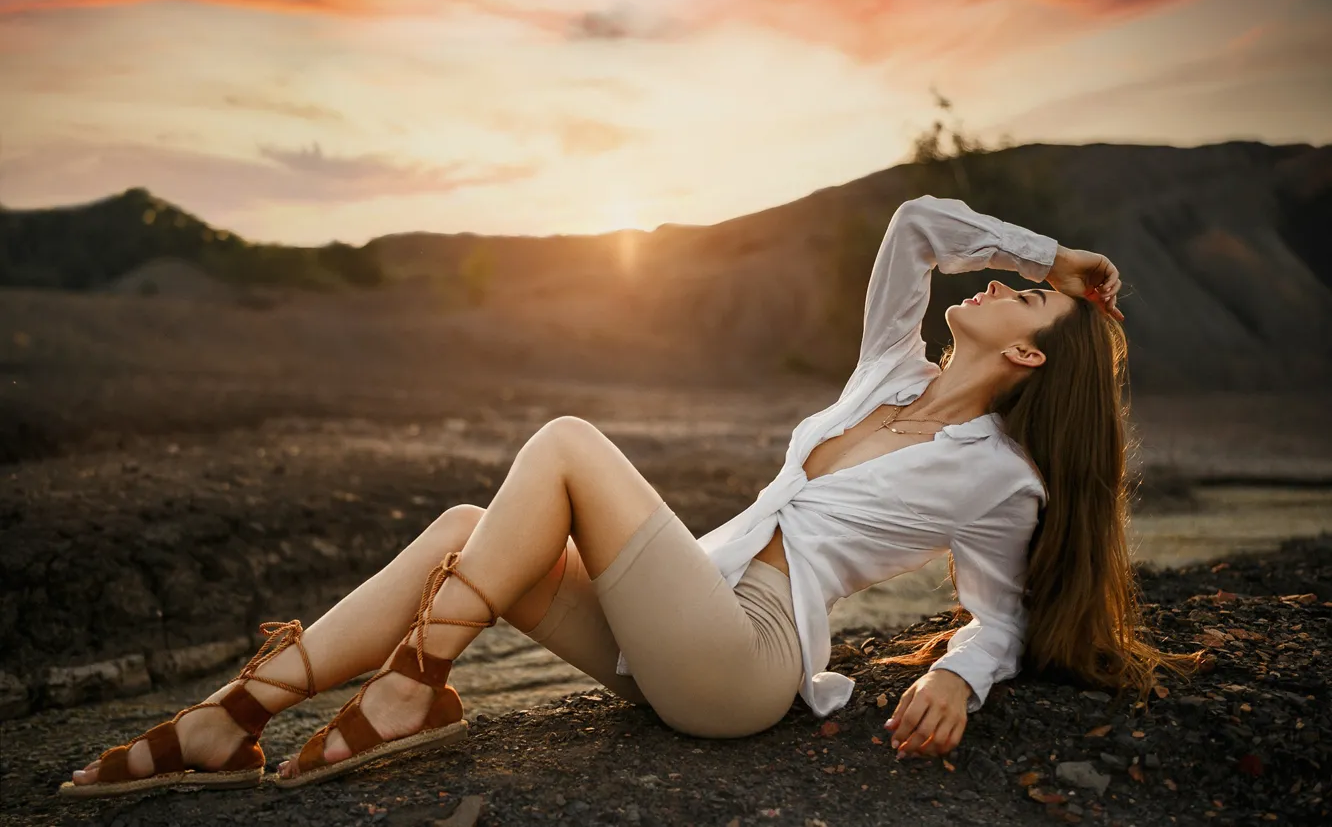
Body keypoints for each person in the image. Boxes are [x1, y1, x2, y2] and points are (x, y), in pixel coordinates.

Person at [61, 194, 1193, 797]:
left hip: (740, 662)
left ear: (1034, 360)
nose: (999, 286)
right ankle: (233, 717)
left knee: (563, 440)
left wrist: (956, 673)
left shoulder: (1004, 474)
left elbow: (998, 614)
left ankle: (409, 691)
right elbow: (915, 228)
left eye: (1024, 300)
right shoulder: (887, 376)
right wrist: (1056, 258)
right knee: (468, 527)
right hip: (681, 614)